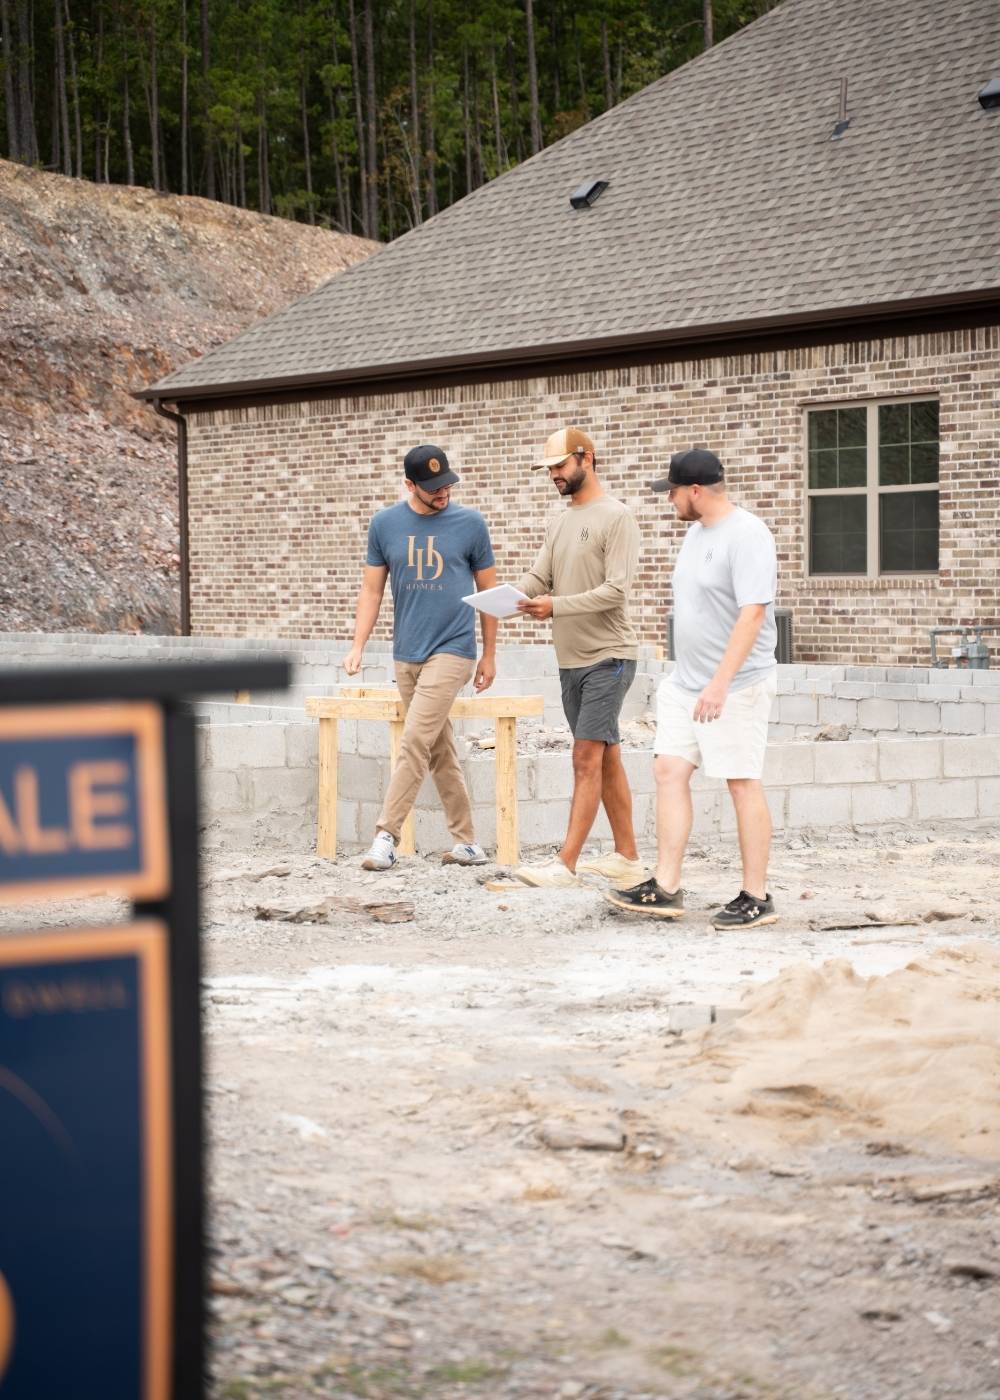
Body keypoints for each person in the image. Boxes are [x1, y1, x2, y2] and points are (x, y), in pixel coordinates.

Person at [606, 448, 779, 928]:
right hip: (686, 683)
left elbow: (753, 613)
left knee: (741, 782)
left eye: (674, 492)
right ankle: (666, 886)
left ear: (696, 491)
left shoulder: (748, 535)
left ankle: (757, 895)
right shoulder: (696, 533)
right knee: (668, 771)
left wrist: (720, 683)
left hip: (735, 685)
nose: (671, 501)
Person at [342, 444, 497, 871]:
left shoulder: (470, 524)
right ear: (410, 485)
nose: (443, 491)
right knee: (437, 747)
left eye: (447, 483)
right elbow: (371, 591)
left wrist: (489, 655)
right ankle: (467, 842)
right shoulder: (384, 525)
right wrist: (358, 645)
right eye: (432, 488)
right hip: (406, 652)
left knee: (413, 741)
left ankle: (385, 837)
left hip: (453, 649)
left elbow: (488, 595)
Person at [512, 426, 645, 889]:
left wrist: (555, 605)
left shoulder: (617, 517)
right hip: (571, 660)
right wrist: (503, 597)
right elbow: (539, 575)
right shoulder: (559, 521)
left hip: (609, 657)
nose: (553, 475)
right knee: (606, 759)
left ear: (587, 459)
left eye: (560, 465)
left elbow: (615, 591)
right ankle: (627, 857)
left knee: (585, 757)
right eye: (549, 469)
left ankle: (565, 864)